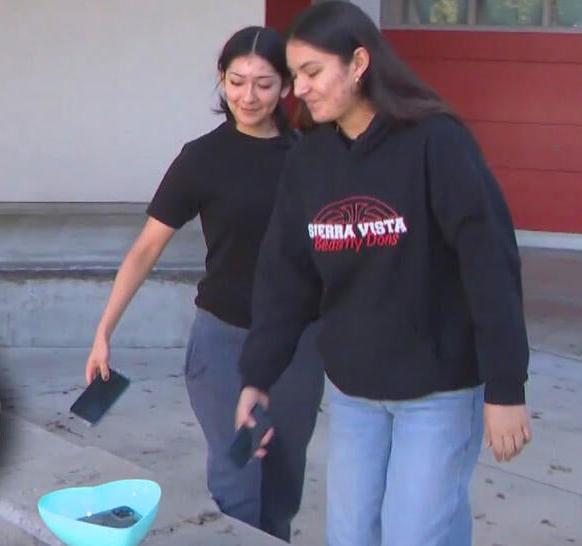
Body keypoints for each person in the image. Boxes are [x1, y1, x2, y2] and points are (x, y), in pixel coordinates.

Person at [234, 3, 532, 545]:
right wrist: (258, 374)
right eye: (295, 76)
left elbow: (490, 268)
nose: (299, 89)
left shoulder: (436, 143)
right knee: (351, 536)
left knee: (415, 534)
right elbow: (286, 278)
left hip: (437, 391)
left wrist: (506, 388)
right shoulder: (309, 161)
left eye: (312, 72)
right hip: (354, 392)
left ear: (359, 62)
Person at [84, 26, 324, 541]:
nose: (248, 96)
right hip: (223, 344)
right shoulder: (202, 157)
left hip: (295, 344)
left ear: (285, 88)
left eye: (263, 84)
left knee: (281, 483)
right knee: (238, 479)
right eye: (236, 81)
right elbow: (147, 247)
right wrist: (105, 329)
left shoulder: (310, 157)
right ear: (221, 79)